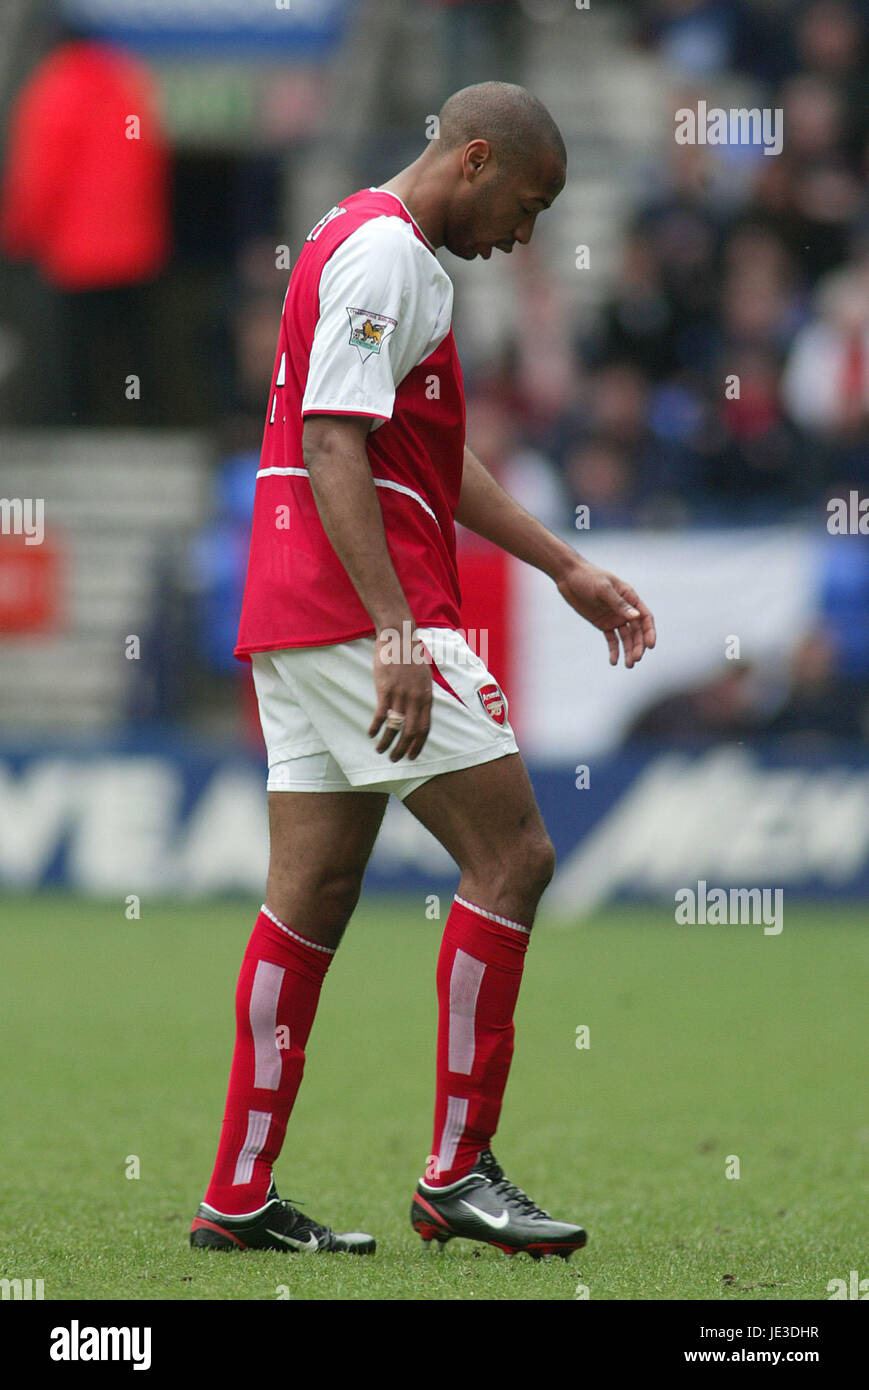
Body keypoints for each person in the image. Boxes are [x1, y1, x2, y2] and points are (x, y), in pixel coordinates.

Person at [190, 82, 656, 1261]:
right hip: (362, 613)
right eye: (527, 204)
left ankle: (237, 1190)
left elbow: (423, 458)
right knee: (515, 854)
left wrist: (561, 566)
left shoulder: (361, 244)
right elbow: (332, 440)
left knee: (311, 892)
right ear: (476, 158)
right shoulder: (392, 257)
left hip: (292, 613)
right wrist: (397, 632)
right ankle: (457, 1169)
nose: (525, 233)